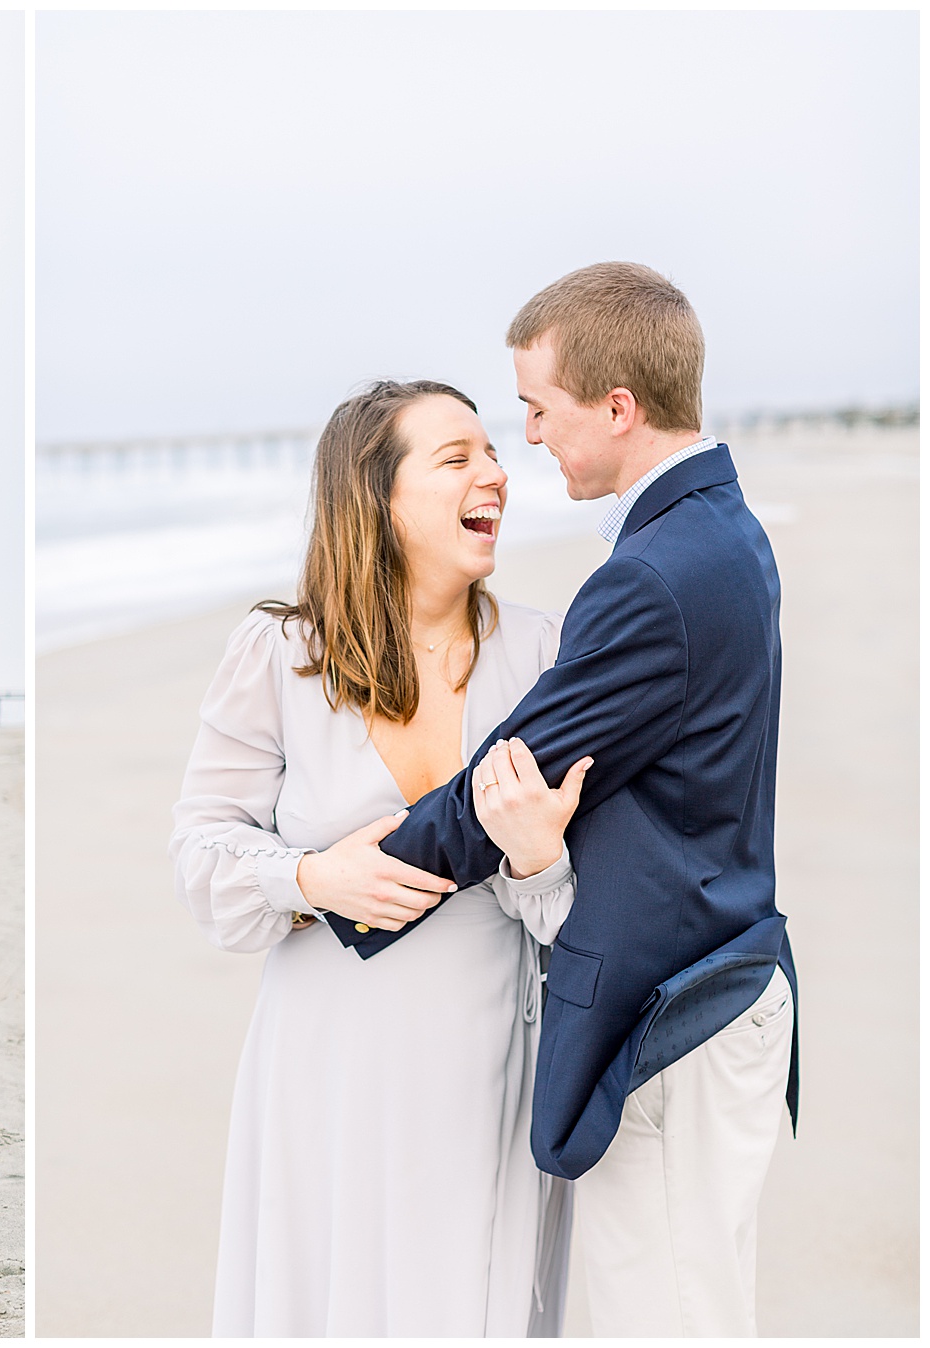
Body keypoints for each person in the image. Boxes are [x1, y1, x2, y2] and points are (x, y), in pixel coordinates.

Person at [306, 263, 797, 1336]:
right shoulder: (721, 529)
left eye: (536, 408)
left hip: (683, 1014)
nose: (527, 436)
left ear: (616, 408)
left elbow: (507, 778)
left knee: (664, 1317)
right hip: (721, 983)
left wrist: (341, 885)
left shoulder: (655, 574)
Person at [171, 379, 593, 1336]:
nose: (496, 474)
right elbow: (200, 851)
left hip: (486, 1066)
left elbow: (576, 905)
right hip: (325, 1067)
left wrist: (537, 863)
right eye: (457, 459)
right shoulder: (281, 654)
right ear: (377, 498)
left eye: (493, 454)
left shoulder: (543, 653)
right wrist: (313, 879)